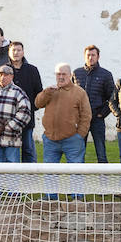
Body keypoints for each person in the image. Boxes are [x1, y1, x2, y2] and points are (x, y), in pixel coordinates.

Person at [35, 63, 92, 195]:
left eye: (63, 74)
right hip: (50, 139)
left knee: (76, 170)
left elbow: (86, 115)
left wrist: (80, 134)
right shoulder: (50, 90)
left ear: (70, 75)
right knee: (50, 171)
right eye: (58, 74)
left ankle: (76, 199)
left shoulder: (79, 92)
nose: (60, 77)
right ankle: (51, 199)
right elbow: (38, 103)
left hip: (72, 139)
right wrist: (47, 92)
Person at [0, 65, 33, 164]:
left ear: (12, 76)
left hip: (11, 140)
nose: (3, 77)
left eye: (6, 75)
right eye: (0, 74)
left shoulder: (18, 93)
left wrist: (8, 127)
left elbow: (25, 113)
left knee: (12, 172)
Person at [74, 45, 116, 163]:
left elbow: (112, 97)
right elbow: (71, 95)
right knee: (78, 152)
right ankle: (77, 179)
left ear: (98, 56)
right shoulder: (76, 73)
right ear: (84, 56)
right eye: (88, 55)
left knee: (101, 152)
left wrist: (102, 114)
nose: (91, 58)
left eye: (93, 55)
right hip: (81, 119)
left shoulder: (106, 74)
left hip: (97, 118)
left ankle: (103, 179)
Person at [6, 41, 44, 163]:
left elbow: (39, 92)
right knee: (10, 150)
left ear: (23, 52)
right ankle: (12, 178)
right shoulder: (3, 70)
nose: (16, 53)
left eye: (18, 50)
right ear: (9, 53)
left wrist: (31, 108)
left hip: (27, 117)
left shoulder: (32, 70)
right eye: (13, 50)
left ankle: (31, 177)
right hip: (9, 118)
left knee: (28, 148)